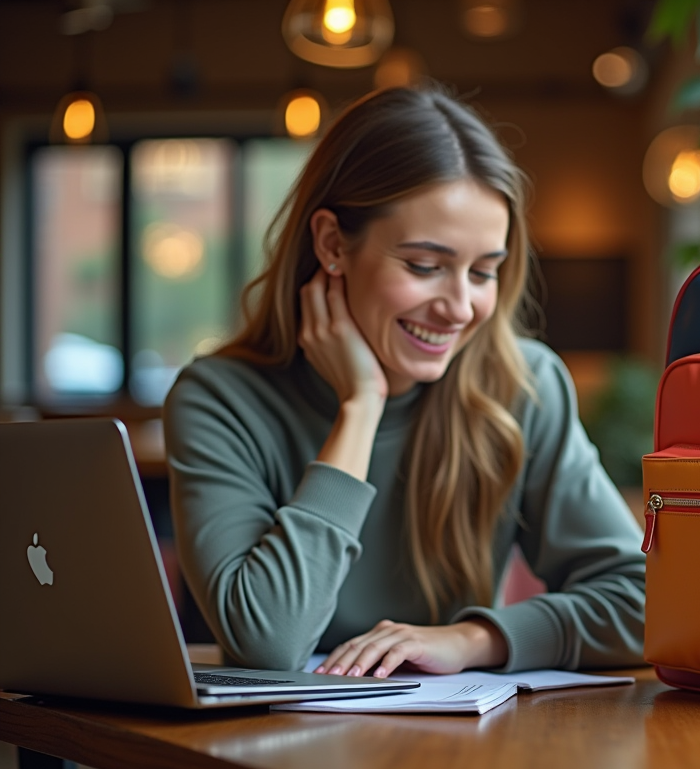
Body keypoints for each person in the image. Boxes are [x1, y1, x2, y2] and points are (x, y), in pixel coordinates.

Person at [163, 87, 646, 679]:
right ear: (333, 244)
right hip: (257, 760)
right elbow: (267, 642)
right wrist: (360, 407)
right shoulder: (219, 399)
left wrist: (472, 639)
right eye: (425, 266)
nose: (461, 307)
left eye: (483, 272)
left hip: (443, 758)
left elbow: (644, 603)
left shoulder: (522, 385)